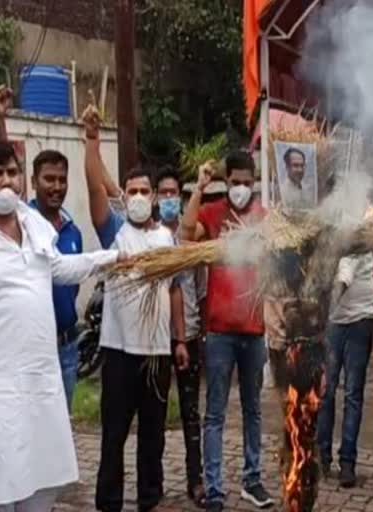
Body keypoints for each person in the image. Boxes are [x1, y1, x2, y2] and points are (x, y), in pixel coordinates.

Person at [0, 138, 120, 511]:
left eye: (12, 172)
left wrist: (114, 259)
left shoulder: (34, 225)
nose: (5, 182)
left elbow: (60, 268)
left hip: (41, 381)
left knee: (43, 483)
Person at [80, 104, 188, 512]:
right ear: (125, 197)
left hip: (158, 353)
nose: (141, 197)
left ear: (156, 198)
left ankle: (149, 500)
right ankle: (109, 503)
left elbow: (175, 290)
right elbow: (94, 188)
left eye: (147, 191)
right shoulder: (115, 232)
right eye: (134, 191)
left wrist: (180, 339)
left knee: (154, 437)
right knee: (113, 436)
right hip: (119, 352)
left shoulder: (167, 240)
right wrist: (91, 141)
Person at [181, 155, 273, 512]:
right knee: (215, 413)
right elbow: (186, 237)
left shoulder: (265, 219)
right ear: (226, 182)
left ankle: (252, 480)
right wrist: (199, 188)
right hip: (219, 330)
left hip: (253, 330)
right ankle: (215, 489)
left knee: (253, 409)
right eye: (234, 181)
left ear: (254, 182)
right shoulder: (213, 212)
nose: (240, 189)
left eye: (246, 182)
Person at [0, 85, 83, 411]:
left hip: (68, 348)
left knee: (61, 430)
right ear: (33, 181)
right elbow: (1, 165)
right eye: (49, 179)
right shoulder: (22, 220)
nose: (56, 187)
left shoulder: (74, 231)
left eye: (61, 179)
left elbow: (71, 289)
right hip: (30, 350)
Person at [154, 166, 207, 507]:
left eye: (175, 193)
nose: (169, 198)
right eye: (165, 193)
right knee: (154, 413)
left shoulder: (194, 234)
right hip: (156, 339)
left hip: (188, 332)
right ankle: (153, 482)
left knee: (191, 413)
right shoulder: (152, 235)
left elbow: (200, 286)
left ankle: (196, 480)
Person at [316, 250, 373, 488]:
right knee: (326, 391)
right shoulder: (329, 226)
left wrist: (322, 314)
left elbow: (345, 274)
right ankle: (322, 456)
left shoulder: (361, 225)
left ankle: (347, 462)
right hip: (334, 322)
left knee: (353, 393)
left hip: (360, 319)